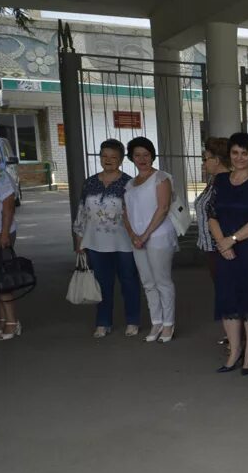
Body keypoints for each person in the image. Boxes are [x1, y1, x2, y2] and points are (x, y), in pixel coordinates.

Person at [207, 132, 248, 375]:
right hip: (224, 250)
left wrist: (232, 240)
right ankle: (234, 351)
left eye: (244, 153)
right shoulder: (220, 180)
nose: (239, 157)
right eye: (235, 153)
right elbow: (211, 215)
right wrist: (223, 244)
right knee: (228, 300)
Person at [72, 139, 141, 338]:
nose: (108, 160)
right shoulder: (90, 182)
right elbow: (82, 212)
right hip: (95, 243)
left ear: (120, 160)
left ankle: (133, 320)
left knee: (129, 282)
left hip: (124, 243)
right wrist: (79, 240)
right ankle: (103, 322)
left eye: (113, 157)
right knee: (102, 284)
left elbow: (135, 214)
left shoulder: (128, 183)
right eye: (104, 156)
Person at [123, 136, 178, 342]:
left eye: (146, 154)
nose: (142, 159)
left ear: (152, 156)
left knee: (162, 281)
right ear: (131, 158)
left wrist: (145, 235)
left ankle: (168, 324)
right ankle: (156, 321)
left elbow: (162, 208)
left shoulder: (161, 177)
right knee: (147, 282)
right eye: (137, 155)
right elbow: (125, 213)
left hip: (158, 236)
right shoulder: (129, 184)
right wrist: (133, 235)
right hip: (137, 239)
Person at [195, 137, 231, 346]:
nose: (204, 162)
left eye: (206, 158)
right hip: (210, 246)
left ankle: (235, 335)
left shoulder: (225, 182)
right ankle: (230, 332)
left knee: (226, 290)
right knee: (221, 289)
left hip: (220, 246)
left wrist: (221, 243)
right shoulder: (213, 180)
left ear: (217, 160)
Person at [0, 141, 20, 340]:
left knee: (1, 277)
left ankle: (12, 323)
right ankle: (2, 321)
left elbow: (9, 207)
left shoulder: (0, 177)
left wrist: (5, 234)